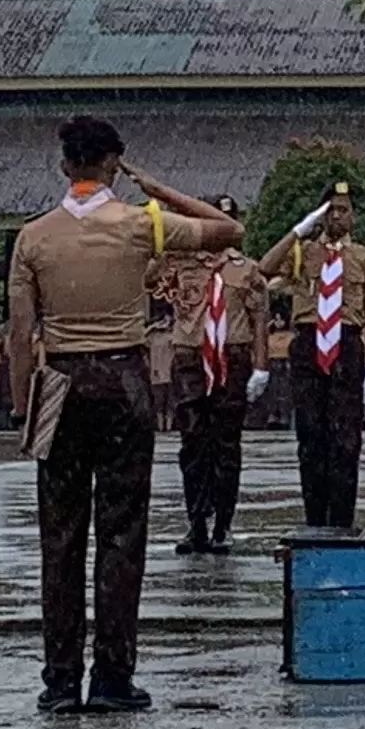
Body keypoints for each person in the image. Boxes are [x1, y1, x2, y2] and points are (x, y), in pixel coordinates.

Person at [7, 114, 243, 714]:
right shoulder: (141, 224)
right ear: (115, 164)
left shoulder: (34, 237)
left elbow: (18, 333)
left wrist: (19, 405)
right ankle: (112, 675)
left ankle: (60, 680)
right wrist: (156, 188)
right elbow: (226, 229)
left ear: (64, 166)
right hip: (122, 380)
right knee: (121, 532)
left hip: (56, 381)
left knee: (59, 537)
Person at [255, 185, 365, 532]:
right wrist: (298, 230)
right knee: (311, 434)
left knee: (345, 437)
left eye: (344, 209)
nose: (337, 216)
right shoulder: (303, 254)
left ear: (353, 215)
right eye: (331, 210)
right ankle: (314, 518)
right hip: (309, 344)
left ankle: (341, 520)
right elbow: (264, 267)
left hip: (347, 343)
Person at [162, 215, 264, 554]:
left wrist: (260, 367)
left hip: (231, 360)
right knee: (193, 444)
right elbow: (148, 278)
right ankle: (196, 522)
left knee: (226, 445)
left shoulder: (245, 269)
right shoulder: (180, 266)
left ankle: (223, 523)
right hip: (191, 360)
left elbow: (258, 318)